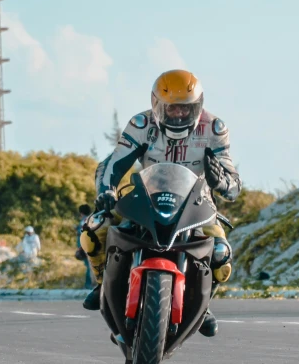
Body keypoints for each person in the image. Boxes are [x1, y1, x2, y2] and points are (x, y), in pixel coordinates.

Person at [80, 69, 241, 337]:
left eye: (185, 109)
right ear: (157, 105)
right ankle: (102, 283)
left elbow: (233, 186)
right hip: (146, 197)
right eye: (172, 109)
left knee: (222, 253)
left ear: (198, 107)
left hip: (197, 204)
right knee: (94, 228)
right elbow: (113, 163)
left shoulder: (213, 129)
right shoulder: (141, 125)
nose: (178, 115)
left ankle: (203, 304)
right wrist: (105, 192)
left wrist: (219, 181)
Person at [76, 204, 95, 289]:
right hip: (92, 245)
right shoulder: (93, 219)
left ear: (81, 213)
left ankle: (88, 284)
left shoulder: (83, 222)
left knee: (88, 266)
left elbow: (82, 236)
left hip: (85, 247)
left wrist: (80, 248)